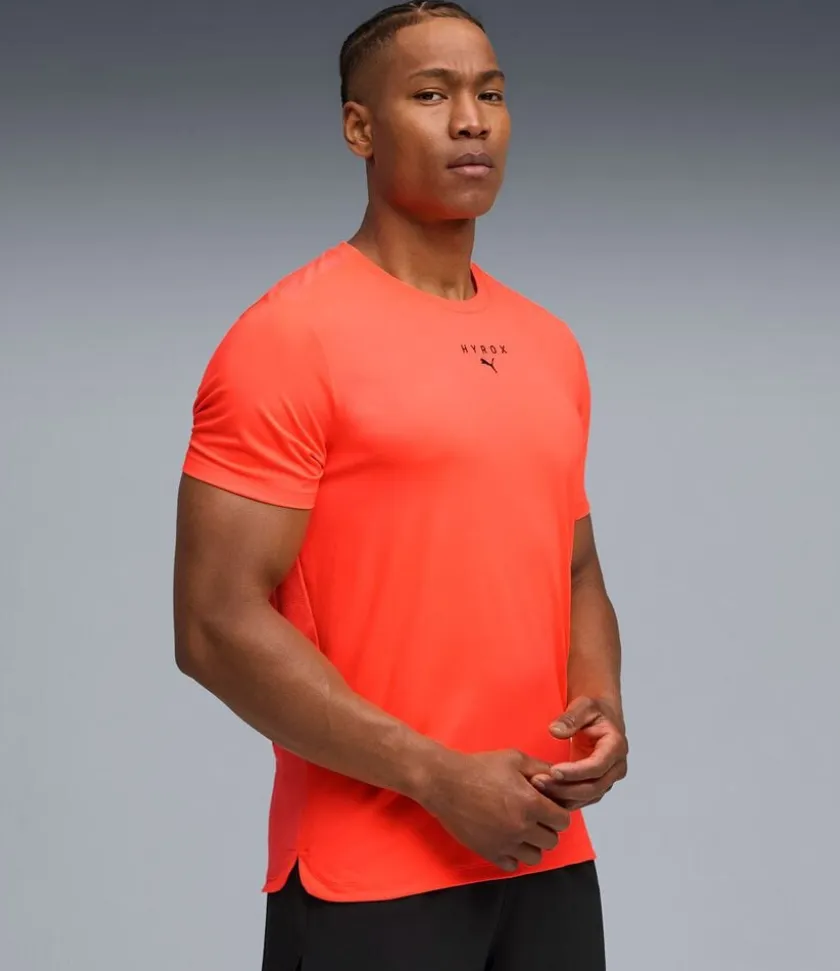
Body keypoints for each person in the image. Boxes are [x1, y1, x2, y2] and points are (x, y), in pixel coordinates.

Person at [172, 2, 628, 968]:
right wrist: (436, 775)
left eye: (491, 94)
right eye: (431, 94)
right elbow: (212, 625)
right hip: (368, 878)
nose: (471, 120)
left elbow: (575, 563)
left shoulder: (549, 344)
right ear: (359, 128)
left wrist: (601, 699)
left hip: (543, 850)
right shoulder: (287, 340)